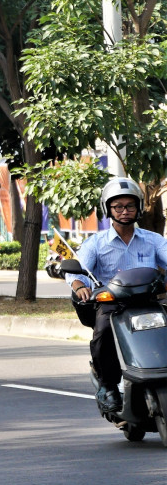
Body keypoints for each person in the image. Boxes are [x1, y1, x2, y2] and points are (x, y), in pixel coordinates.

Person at [65, 177, 167, 413]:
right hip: (114, 304)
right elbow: (77, 271)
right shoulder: (96, 243)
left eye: (130, 206)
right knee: (102, 333)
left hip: (150, 301)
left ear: (138, 208)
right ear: (108, 209)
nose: (124, 211)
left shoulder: (153, 240)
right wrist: (80, 285)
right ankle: (108, 386)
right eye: (118, 206)